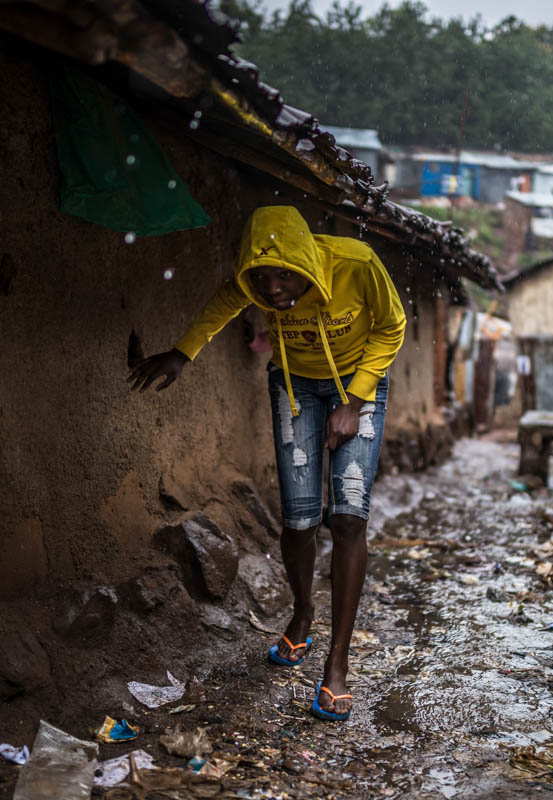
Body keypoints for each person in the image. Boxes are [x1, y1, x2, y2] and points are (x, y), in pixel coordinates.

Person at [129, 205, 405, 721]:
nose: (273, 289)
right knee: (299, 519)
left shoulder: (356, 263)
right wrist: (181, 353)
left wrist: (355, 400)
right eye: (261, 277)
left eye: (284, 275)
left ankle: (337, 663)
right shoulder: (254, 287)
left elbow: (392, 327)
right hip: (295, 387)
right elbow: (221, 306)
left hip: (358, 385)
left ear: (306, 261)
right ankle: (303, 611)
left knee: (348, 517)